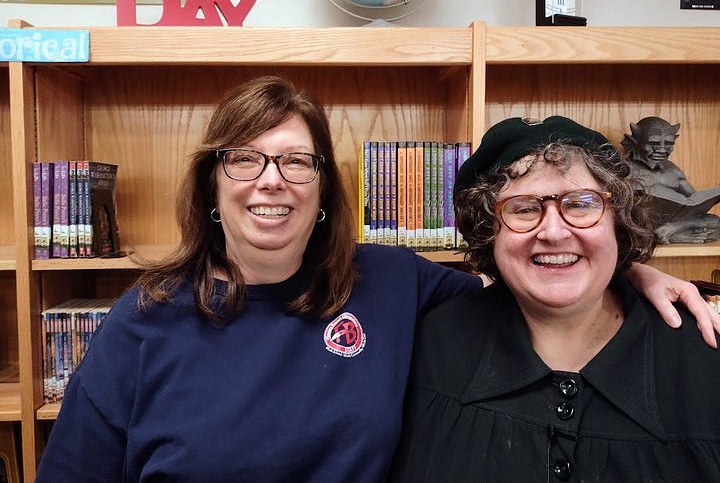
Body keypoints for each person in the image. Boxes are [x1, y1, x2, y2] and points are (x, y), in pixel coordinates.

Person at [36, 80, 719, 482]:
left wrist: (628, 263)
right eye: (244, 160)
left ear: (323, 187)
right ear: (212, 184)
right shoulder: (144, 320)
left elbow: (535, 278)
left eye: (297, 161)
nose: (272, 181)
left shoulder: (392, 284)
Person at [389, 116, 720, 482]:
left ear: (618, 221)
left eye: (580, 204)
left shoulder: (705, 359)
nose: (553, 231)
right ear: (490, 233)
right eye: (524, 208)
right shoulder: (434, 345)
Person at [621, 115, 720, 244]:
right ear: (635, 141)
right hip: (638, 227)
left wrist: (677, 225)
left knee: (715, 222)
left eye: (668, 143)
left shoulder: (673, 170)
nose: (662, 149)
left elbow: (693, 203)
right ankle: (666, 234)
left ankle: (671, 231)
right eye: (653, 143)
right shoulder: (625, 170)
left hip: (674, 222)